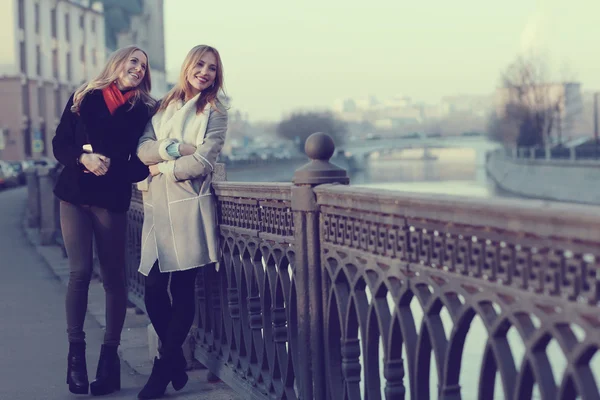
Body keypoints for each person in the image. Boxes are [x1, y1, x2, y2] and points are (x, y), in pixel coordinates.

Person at [52, 45, 155, 396]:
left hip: (110, 200)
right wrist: (84, 161)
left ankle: (109, 362)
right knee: (79, 272)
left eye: (143, 65)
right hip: (74, 196)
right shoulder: (84, 96)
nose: (138, 68)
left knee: (113, 279)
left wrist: (109, 165)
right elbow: (59, 144)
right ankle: (76, 358)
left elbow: (143, 161)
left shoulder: (144, 110)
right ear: (119, 62)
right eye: (134, 61)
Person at [135, 44, 228, 399]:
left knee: (183, 288)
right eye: (200, 65)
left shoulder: (216, 111)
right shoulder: (162, 106)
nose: (205, 72)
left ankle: (162, 371)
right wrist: (173, 149)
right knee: (154, 289)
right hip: (157, 207)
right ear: (188, 66)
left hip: (189, 206)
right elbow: (142, 148)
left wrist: (161, 166)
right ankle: (174, 361)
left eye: (212, 69)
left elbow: (202, 163)